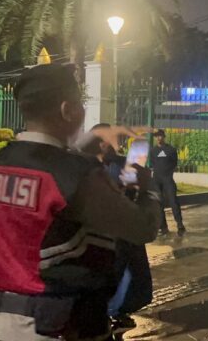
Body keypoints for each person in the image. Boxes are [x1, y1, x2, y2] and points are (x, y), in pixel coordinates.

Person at [0, 64, 161, 340]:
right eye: (81, 104)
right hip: (59, 326)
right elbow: (143, 228)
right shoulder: (74, 175)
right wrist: (148, 189)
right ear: (67, 110)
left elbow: (45, 161)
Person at [89, 124, 153, 332]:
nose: (103, 143)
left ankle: (114, 313)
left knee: (128, 276)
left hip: (120, 232)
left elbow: (133, 193)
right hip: (102, 234)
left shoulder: (123, 165)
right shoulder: (87, 166)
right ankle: (110, 314)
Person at [149, 129, 184, 236]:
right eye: (156, 136)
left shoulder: (171, 150)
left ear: (164, 137)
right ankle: (163, 227)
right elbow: (153, 163)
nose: (158, 138)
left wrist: (168, 173)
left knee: (173, 202)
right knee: (158, 204)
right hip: (156, 180)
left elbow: (174, 163)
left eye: (160, 136)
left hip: (168, 180)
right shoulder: (153, 151)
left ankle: (180, 225)